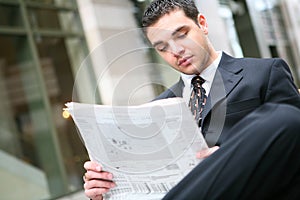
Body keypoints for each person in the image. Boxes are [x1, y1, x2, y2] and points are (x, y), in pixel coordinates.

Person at [83, 0, 300, 199]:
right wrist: (104, 192)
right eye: (163, 47)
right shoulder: (156, 109)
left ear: (202, 24)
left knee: (285, 118)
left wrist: (227, 164)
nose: (176, 51)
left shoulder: (265, 73)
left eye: (181, 34)